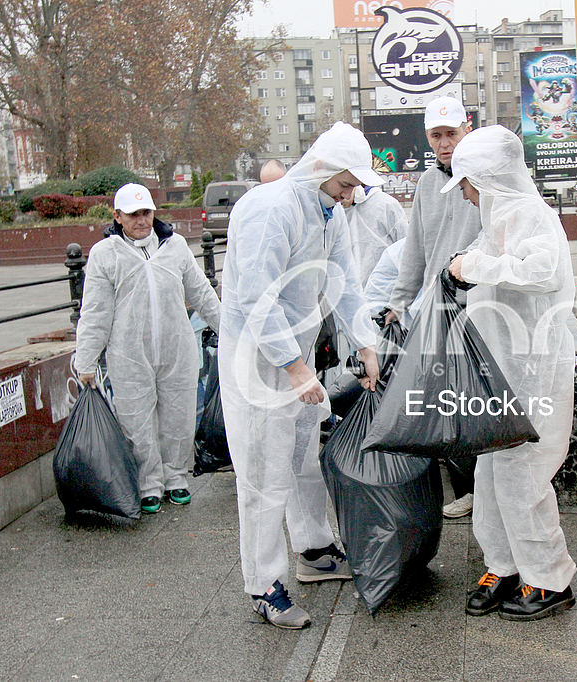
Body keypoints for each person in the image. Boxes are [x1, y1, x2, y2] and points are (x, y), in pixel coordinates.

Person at [218, 121, 380, 630]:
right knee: (264, 474)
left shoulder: (327, 211)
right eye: (346, 184)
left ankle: (313, 549)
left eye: (354, 187)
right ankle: (263, 585)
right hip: (258, 362)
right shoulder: (271, 210)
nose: (351, 196)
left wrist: (366, 342)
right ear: (321, 170)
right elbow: (254, 297)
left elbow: (347, 281)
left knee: (305, 456)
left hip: (298, 357)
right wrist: (293, 368)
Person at [445, 125, 577, 622]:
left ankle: (549, 578)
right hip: (499, 371)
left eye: (466, 180)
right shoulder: (497, 216)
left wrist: (475, 266)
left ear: (487, 178)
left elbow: (542, 272)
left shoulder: (532, 217)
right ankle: (502, 565)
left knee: (523, 475)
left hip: (533, 371)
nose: (463, 190)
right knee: (492, 470)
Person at [74, 183, 220, 514]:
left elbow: (200, 293)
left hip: (176, 348)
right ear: (118, 216)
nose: (141, 220)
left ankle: (176, 478)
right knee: (136, 420)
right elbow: (95, 311)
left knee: (179, 416)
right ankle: (148, 484)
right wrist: (86, 361)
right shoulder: (105, 255)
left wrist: (229, 330)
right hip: (128, 352)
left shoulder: (175, 246)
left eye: (147, 213)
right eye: (133, 214)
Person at [384, 96, 482, 520]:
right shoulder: (426, 184)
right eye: (436, 136)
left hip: (475, 306)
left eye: (452, 134)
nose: (445, 144)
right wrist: (397, 303)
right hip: (433, 309)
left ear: (468, 128)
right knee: (445, 402)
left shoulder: (485, 175)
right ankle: (467, 486)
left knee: (476, 401)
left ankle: (483, 487)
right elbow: (415, 251)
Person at [342, 185, 407, 285]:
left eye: (342, 185)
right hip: (354, 288)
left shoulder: (385, 204)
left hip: (386, 286)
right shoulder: (337, 210)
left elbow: (406, 246)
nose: (339, 196)